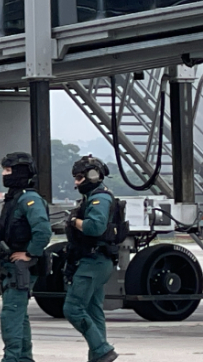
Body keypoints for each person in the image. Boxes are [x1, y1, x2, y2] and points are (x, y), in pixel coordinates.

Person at [0, 152, 52, 362]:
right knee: (20, 315)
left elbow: (43, 231)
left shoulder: (29, 199)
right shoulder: (15, 199)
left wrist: (29, 253)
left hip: (21, 268)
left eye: (8, 170)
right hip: (11, 265)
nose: (3, 174)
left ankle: (12, 358)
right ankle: (24, 358)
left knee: (12, 314)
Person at [63, 155, 119, 362]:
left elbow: (95, 227)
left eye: (79, 178)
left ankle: (102, 349)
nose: (76, 183)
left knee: (72, 308)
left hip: (93, 261)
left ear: (92, 176)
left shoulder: (100, 198)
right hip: (95, 260)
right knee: (93, 311)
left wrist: (74, 221)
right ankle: (98, 357)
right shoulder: (93, 197)